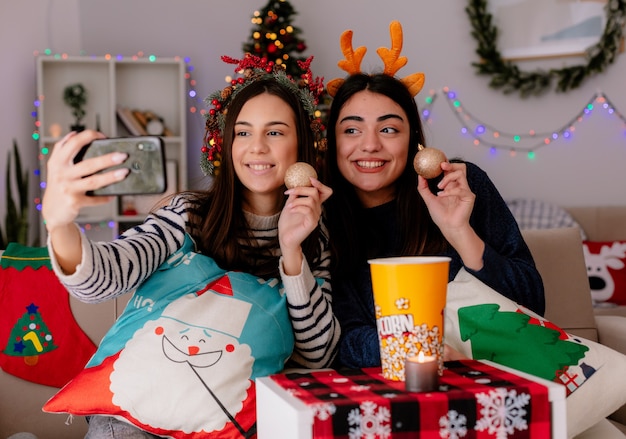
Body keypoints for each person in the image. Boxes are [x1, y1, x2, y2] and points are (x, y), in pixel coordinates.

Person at [41, 54, 340, 437]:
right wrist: (60, 223)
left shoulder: (316, 234)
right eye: (243, 132)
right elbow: (101, 281)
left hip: (230, 425)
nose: (257, 147)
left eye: (276, 132)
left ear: (302, 146)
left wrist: (292, 250)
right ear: (226, 144)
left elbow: (317, 355)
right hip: (133, 419)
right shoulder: (187, 214)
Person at [323, 22, 545, 369]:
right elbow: (341, 342)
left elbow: (531, 304)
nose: (369, 144)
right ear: (332, 142)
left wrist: (460, 233)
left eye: (388, 129)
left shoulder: (460, 185)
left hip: (499, 379)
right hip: (395, 392)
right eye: (351, 129)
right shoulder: (323, 218)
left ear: (413, 140)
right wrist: (421, 349)